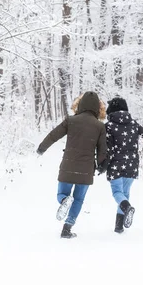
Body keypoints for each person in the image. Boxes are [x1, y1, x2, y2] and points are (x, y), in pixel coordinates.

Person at [37, 91, 107, 238]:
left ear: (80, 105)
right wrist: (102, 165)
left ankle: (64, 200)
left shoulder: (71, 120)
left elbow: (53, 135)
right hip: (86, 169)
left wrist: (41, 148)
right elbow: (102, 150)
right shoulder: (99, 126)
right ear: (97, 108)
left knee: (61, 194)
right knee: (79, 199)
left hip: (68, 166)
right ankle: (67, 228)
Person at [105, 97, 143, 233]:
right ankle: (119, 226)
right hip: (131, 164)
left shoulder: (109, 126)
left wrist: (102, 164)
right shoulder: (133, 124)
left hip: (115, 164)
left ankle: (126, 208)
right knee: (125, 193)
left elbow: (107, 148)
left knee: (117, 192)